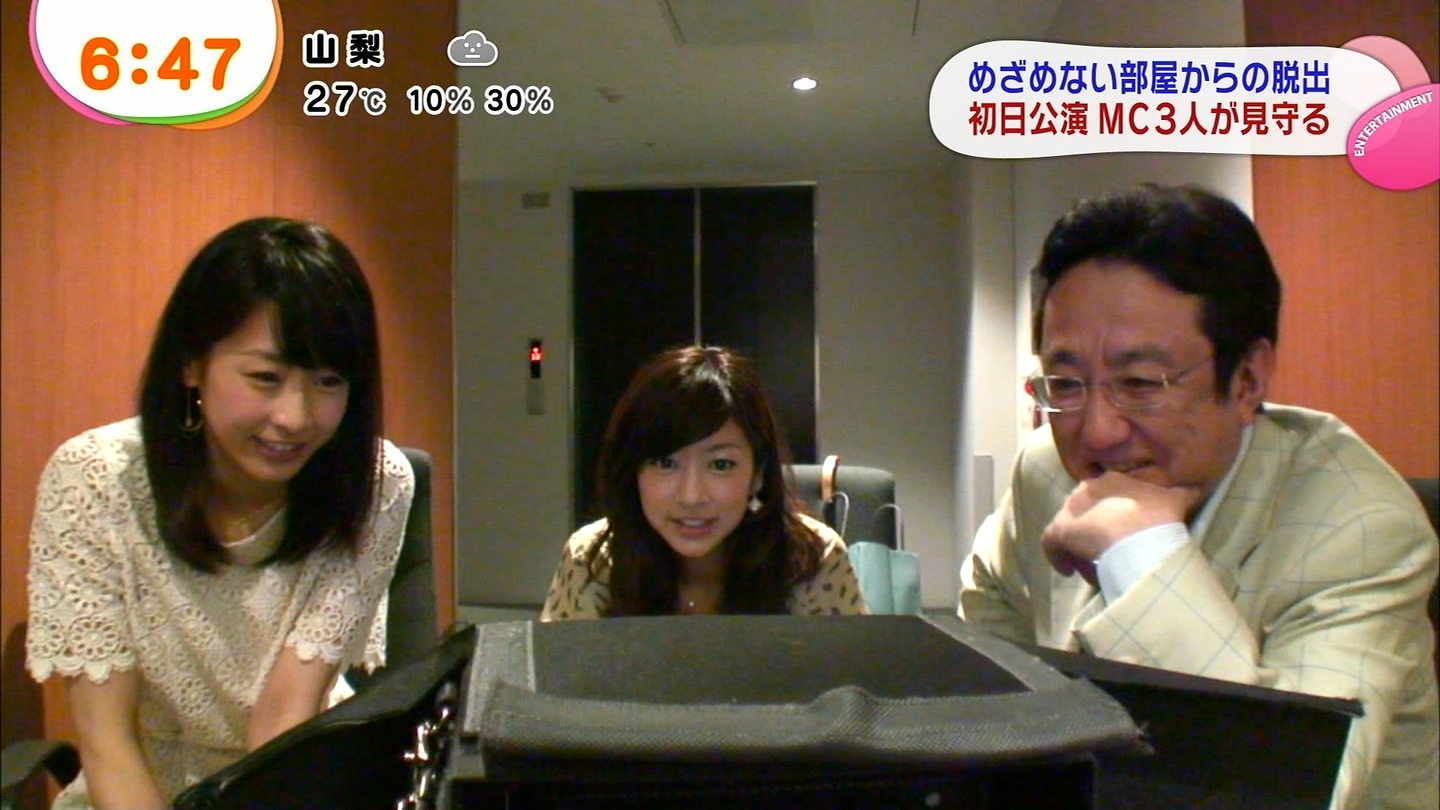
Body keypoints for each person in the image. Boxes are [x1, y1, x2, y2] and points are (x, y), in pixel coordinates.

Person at [957, 184, 1438, 810]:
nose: (1097, 433)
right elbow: (991, 597)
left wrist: (1142, 556)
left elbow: (1283, 791)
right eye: (1066, 382)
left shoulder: (1360, 527)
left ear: (1247, 380)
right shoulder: (1047, 465)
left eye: (1139, 382)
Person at [25, 217, 414, 809]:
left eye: (328, 381)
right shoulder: (95, 479)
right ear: (191, 363)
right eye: (265, 377)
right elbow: (108, 745)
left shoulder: (374, 484)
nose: (295, 417)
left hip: (289, 778)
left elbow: (284, 721)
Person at [541, 345, 865, 619]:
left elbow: (852, 675)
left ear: (757, 474)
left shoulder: (812, 559)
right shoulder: (592, 558)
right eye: (665, 463)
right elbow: (555, 676)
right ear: (632, 470)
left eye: (721, 465)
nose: (692, 496)